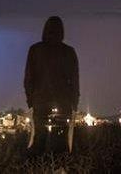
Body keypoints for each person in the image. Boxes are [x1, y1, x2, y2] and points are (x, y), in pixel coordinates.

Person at [24, 15, 79, 154]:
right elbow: (74, 81)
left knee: (38, 143)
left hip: (40, 104)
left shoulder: (35, 50)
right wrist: (74, 105)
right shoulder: (69, 52)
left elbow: (28, 79)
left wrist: (31, 102)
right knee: (61, 144)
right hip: (63, 104)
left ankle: (36, 169)